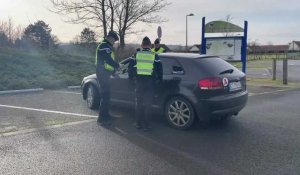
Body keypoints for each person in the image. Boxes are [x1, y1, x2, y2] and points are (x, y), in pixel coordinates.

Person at [128, 36, 163, 131]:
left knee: (139, 104)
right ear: (150, 45)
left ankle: (138, 124)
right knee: (148, 104)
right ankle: (147, 125)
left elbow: (130, 68)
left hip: (139, 83)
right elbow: (160, 70)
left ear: (142, 45)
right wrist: (159, 80)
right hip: (150, 83)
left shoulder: (136, 54)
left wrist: (131, 79)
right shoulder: (154, 55)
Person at [95, 31, 120, 126]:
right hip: (102, 73)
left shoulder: (106, 46)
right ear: (110, 37)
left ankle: (106, 115)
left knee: (107, 96)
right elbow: (108, 60)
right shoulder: (104, 46)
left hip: (105, 73)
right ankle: (102, 118)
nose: (114, 42)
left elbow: (108, 62)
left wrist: (113, 70)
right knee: (105, 96)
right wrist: (117, 66)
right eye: (114, 39)